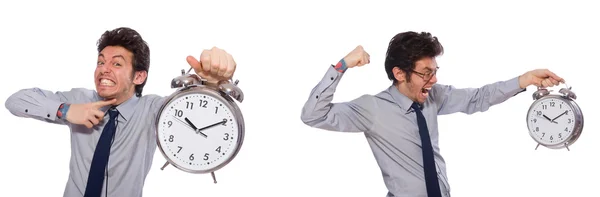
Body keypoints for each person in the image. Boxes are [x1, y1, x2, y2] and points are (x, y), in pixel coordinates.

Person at [300, 31, 564, 197]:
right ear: (399, 73)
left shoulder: (433, 96)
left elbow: (477, 97)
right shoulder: (372, 109)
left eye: (435, 70)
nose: (434, 79)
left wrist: (524, 79)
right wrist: (342, 65)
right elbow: (313, 115)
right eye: (426, 73)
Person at [4, 27, 238, 197]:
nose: (104, 70)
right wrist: (65, 110)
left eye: (116, 64)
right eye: (100, 62)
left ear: (139, 76)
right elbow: (14, 101)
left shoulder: (153, 110)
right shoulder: (80, 99)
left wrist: (212, 84)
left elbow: (197, 109)